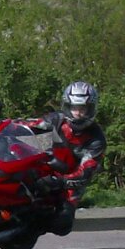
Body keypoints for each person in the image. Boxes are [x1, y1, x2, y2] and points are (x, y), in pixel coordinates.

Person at [18, 80, 106, 236]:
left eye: (83, 109)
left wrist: (60, 181)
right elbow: (29, 125)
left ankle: (32, 228)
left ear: (91, 109)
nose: (78, 113)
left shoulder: (96, 139)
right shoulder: (56, 120)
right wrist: (1, 127)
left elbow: (85, 173)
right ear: (67, 106)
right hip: (44, 166)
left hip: (68, 182)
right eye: (74, 108)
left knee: (63, 223)